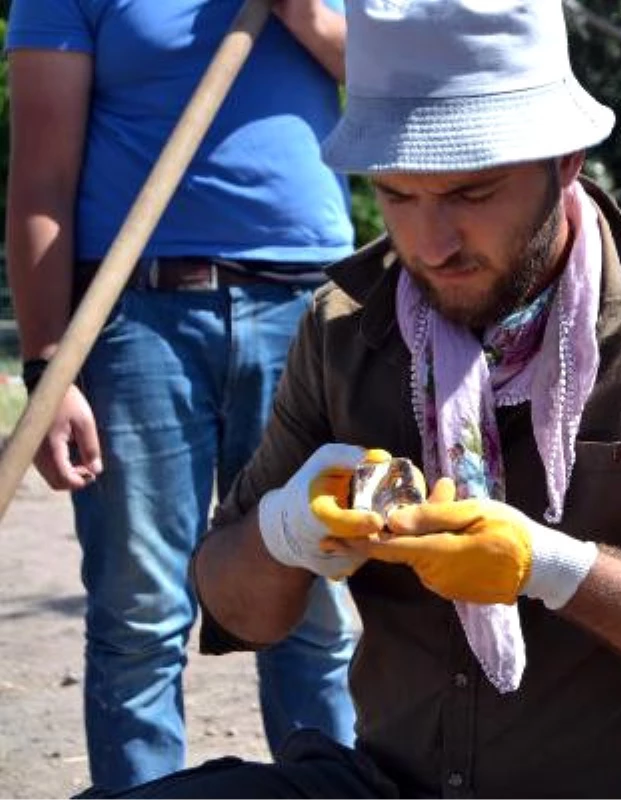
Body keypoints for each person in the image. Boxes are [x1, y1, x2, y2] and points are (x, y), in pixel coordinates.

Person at [71, 0, 621, 797]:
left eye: (471, 194)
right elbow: (240, 612)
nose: (430, 245)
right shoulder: (344, 329)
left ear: (567, 159)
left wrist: (555, 568)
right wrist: (286, 528)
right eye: (398, 195)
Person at [4, 0, 360, 791]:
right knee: (139, 618)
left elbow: (410, 93)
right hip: (136, 320)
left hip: (307, 314)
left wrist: (304, 14)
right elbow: (40, 177)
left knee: (316, 602)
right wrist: (47, 363)